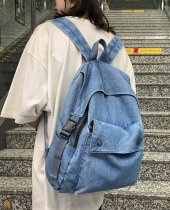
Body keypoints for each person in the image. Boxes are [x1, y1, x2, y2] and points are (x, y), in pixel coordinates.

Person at [1, 0, 136, 209]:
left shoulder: (46, 34)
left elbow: (26, 110)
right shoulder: (116, 46)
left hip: (53, 184)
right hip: (97, 177)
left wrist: (64, 128)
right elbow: (125, 114)